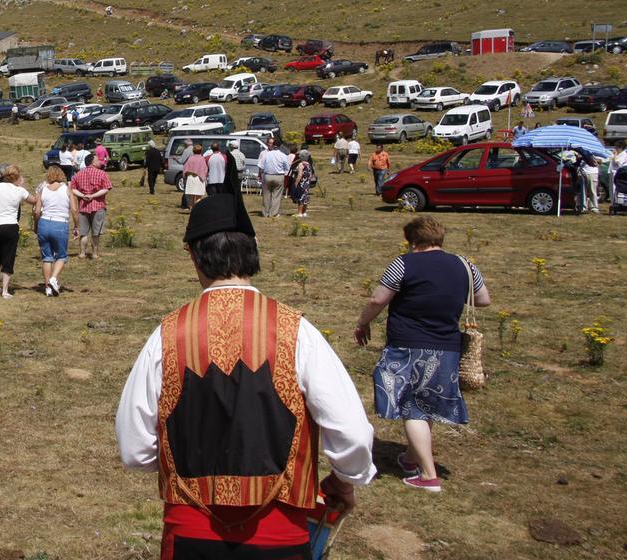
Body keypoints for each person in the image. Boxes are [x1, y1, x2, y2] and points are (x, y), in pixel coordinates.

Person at [116, 188, 376, 559]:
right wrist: (346, 478)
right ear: (252, 251)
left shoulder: (167, 335)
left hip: (190, 533)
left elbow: (135, 450)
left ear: (194, 256)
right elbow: (351, 433)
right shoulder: (297, 332)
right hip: (280, 536)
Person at [355, 215, 491, 493]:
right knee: (426, 400)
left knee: (412, 406)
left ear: (414, 241)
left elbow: (378, 299)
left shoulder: (403, 264)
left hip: (408, 344)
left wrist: (363, 322)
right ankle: (410, 458)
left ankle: (428, 475)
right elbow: (483, 299)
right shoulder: (465, 265)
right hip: (447, 345)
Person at [0, 165, 36, 298]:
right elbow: (33, 200)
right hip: (10, 225)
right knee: (8, 257)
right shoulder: (19, 190)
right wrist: (22, 186)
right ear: (17, 177)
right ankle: (5, 290)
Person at [34, 166, 78, 296]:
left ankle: (47, 288)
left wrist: (36, 225)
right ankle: (53, 278)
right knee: (61, 256)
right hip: (60, 223)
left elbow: (37, 211)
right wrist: (76, 226)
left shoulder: (43, 190)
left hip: (44, 223)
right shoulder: (67, 189)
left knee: (47, 257)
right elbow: (74, 210)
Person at [70, 153, 113, 260]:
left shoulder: (78, 174)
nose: (100, 161)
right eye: (97, 160)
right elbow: (106, 188)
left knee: (83, 233)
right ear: (92, 162)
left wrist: (83, 195)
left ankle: (82, 254)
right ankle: (94, 254)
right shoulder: (102, 173)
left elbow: (72, 189)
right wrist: (93, 196)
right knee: (95, 233)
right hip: (98, 206)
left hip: (83, 207)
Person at [257, 141, 290, 217]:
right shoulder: (283, 155)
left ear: (273, 145)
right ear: (280, 146)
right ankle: (273, 213)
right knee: (276, 195)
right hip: (278, 176)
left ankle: (265, 213)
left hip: (267, 175)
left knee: (266, 195)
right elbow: (287, 167)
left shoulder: (266, 154)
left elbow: (261, 166)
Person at [289, 147, 315, 218]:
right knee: (305, 197)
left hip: (302, 183)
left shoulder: (301, 164)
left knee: (300, 197)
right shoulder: (308, 164)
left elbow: (300, 174)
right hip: (307, 183)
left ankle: (299, 213)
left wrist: (296, 182)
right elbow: (310, 174)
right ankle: (304, 212)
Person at [182, 144, 209, 209]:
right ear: (201, 151)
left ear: (193, 151)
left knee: (191, 197)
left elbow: (185, 169)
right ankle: (196, 210)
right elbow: (205, 169)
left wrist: (185, 176)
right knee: (198, 197)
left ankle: (191, 210)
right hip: (199, 179)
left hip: (190, 178)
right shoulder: (202, 159)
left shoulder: (190, 158)